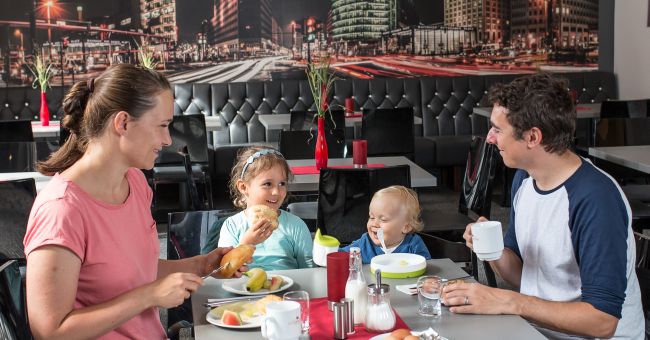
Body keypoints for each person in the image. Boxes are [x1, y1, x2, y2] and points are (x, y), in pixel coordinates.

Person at [23, 64, 246, 340]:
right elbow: (50, 331)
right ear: (123, 123)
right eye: (162, 126)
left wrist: (204, 265)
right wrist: (148, 296)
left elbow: (137, 270)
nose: (167, 140)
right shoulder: (60, 209)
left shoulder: (136, 183)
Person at [442, 73, 644, 339]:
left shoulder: (596, 198)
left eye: (498, 129)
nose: (490, 138)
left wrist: (506, 301)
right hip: (536, 331)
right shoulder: (525, 179)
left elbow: (602, 321)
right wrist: (492, 250)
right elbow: (522, 276)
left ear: (533, 137)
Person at [217, 146, 314, 270]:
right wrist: (246, 244)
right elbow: (225, 270)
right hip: (244, 287)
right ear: (243, 187)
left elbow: (309, 269)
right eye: (267, 184)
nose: (276, 192)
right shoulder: (232, 226)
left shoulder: (296, 225)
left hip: (288, 287)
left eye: (282, 184)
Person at [340, 185, 431, 264]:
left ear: (406, 227)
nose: (374, 224)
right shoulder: (365, 243)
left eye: (383, 220)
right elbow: (339, 255)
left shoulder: (413, 245)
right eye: (371, 217)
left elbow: (426, 268)